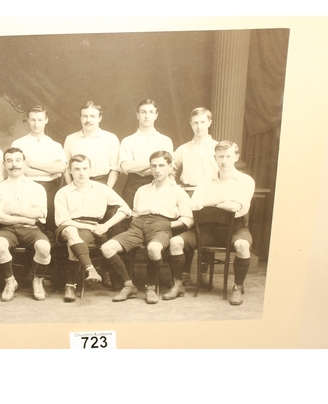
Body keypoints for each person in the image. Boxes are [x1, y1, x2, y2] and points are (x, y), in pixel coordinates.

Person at [100, 151, 193, 304]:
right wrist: (135, 227)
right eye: (154, 166)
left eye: (162, 166)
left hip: (161, 226)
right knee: (107, 248)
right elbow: (136, 214)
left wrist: (167, 225)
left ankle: (151, 287)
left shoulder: (178, 191)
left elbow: (188, 219)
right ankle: (128, 285)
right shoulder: (142, 190)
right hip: (138, 226)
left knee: (154, 249)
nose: (157, 170)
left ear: (170, 167)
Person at [175, 140, 255, 306]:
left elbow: (235, 206)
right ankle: (178, 285)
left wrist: (208, 202)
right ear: (215, 158)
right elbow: (194, 204)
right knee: (175, 242)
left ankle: (237, 287)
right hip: (207, 230)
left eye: (228, 156)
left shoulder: (245, 180)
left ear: (236, 157)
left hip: (235, 228)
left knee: (242, 246)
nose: (224, 161)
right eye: (220, 156)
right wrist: (221, 199)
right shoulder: (206, 180)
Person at [54, 154, 131, 302]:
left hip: (94, 228)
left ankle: (70, 286)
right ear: (70, 171)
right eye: (77, 169)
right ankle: (91, 269)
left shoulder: (102, 189)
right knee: (70, 231)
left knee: (74, 241)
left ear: (90, 170)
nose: (81, 173)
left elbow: (126, 209)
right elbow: (62, 220)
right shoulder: (63, 192)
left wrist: (106, 225)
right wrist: (88, 226)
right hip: (69, 225)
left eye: (85, 168)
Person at [0, 147, 51, 302]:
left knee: (44, 247)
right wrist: (25, 218)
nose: (14, 164)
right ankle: (10, 282)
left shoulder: (37, 188)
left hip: (32, 230)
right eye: (9, 161)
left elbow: (40, 213)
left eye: (18, 160)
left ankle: (37, 280)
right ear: (4, 164)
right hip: (7, 229)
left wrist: (11, 210)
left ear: (24, 163)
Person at [172, 107, 219, 286]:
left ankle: (203, 273)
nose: (199, 126)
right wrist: (175, 187)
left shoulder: (217, 147)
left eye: (202, 122)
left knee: (207, 232)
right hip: (188, 193)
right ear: (191, 124)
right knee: (186, 232)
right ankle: (184, 274)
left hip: (209, 195)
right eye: (195, 123)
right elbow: (172, 169)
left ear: (209, 123)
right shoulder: (183, 149)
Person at [11, 106, 67, 231]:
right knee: (29, 225)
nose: (36, 124)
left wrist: (32, 164)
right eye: (33, 120)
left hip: (50, 188)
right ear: (27, 120)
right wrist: (50, 170)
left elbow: (62, 168)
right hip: (26, 188)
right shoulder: (18, 144)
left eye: (40, 120)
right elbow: (20, 170)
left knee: (50, 225)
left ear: (46, 120)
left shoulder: (54, 145)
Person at [118, 99, 174, 208]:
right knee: (130, 220)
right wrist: (156, 164)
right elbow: (125, 166)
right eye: (143, 112)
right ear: (137, 115)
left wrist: (136, 165)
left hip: (158, 184)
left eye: (151, 112)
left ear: (156, 115)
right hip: (133, 185)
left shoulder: (165, 140)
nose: (147, 116)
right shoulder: (128, 140)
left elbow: (169, 168)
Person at [63, 101, 120, 188]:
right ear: (80, 118)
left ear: (100, 118)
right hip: (77, 185)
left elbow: (115, 168)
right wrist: (71, 187)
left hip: (102, 184)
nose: (88, 120)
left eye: (92, 116)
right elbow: (66, 167)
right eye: (85, 116)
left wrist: (107, 189)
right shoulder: (70, 139)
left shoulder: (110, 138)